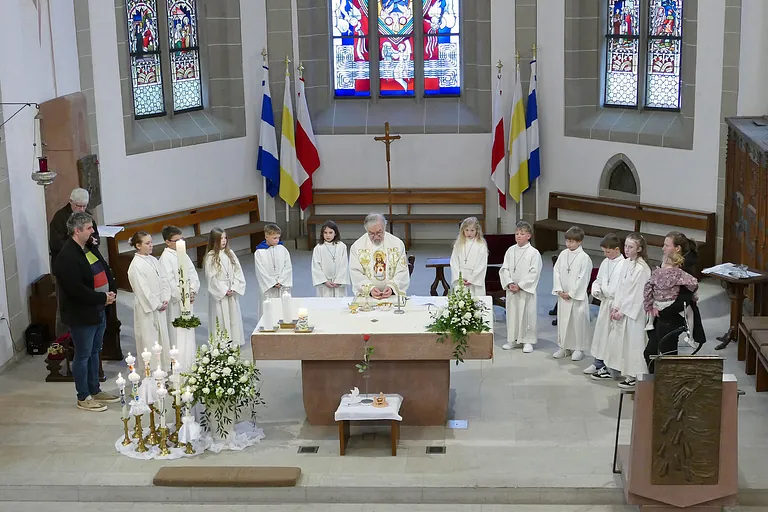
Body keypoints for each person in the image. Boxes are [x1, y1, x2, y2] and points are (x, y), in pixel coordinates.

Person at [52, 212, 119, 412]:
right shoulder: (66, 257)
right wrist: (101, 297)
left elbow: (104, 270)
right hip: (81, 313)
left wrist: (110, 291)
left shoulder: (88, 247)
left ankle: (95, 390)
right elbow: (76, 290)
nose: (93, 231)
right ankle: (83, 396)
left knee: (95, 352)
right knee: (82, 356)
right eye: (89, 228)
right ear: (77, 230)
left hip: (98, 309)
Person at [644, 231, 706, 372]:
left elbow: (685, 298)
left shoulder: (685, 268)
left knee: (667, 355)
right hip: (660, 314)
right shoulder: (667, 261)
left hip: (672, 316)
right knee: (652, 353)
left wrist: (663, 312)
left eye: (666, 245)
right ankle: (659, 383)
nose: (663, 248)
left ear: (677, 248)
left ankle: (666, 385)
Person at [603, 233, 652, 389]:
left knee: (634, 344)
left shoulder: (642, 268)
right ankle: (623, 371)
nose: (627, 250)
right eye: (626, 246)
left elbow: (638, 295)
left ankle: (636, 375)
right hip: (623, 309)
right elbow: (621, 287)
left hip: (634, 313)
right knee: (621, 343)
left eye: (631, 247)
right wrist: (616, 306)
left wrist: (622, 311)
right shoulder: (626, 263)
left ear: (639, 249)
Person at [127, 231, 172, 368]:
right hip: (147, 308)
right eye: (147, 243)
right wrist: (157, 304)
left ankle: (163, 370)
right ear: (138, 245)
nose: (151, 245)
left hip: (160, 305)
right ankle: (151, 374)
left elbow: (164, 279)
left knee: (162, 339)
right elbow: (143, 290)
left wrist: (165, 298)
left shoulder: (153, 260)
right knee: (150, 340)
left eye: (151, 242)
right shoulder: (135, 266)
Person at [158, 225, 200, 363]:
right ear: (167, 242)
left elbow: (192, 273)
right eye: (177, 240)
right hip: (177, 302)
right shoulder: (165, 258)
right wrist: (183, 296)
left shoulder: (183, 254)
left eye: (182, 239)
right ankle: (178, 360)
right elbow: (168, 281)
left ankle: (190, 356)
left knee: (189, 329)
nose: (180, 243)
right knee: (177, 330)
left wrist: (192, 291)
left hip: (188, 298)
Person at [585, 234, 624, 379]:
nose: (605, 254)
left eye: (608, 251)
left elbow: (621, 287)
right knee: (601, 335)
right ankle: (598, 362)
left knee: (611, 337)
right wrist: (596, 288)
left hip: (615, 304)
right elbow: (599, 279)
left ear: (617, 249)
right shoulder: (605, 262)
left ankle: (610, 367)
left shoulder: (623, 265)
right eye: (604, 251)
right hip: (605, 303)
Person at [499, 220, 542, 353]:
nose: (518, 236)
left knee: (527, 315)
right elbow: (504, 268)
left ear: (528, 236)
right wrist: (509, 283)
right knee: (512, 314)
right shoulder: (510, 250)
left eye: (522, 233)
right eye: (517, 233)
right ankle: (512, 339)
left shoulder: (533, 253)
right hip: (512, 290)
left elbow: (534, 272)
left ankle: (528, 341)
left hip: (525, 291)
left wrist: (521, 285)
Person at [551, 226, 592, 361]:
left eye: (572, 241)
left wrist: (572, 293)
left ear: (579, 241)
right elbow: (556, 271)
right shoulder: (563, 254)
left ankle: (578, 348)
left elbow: (583, 277)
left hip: (576, 298)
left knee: (577, 323)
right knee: (563, 322)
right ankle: (564, 347)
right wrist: (559, 289)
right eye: (567, 241)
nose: (568, 244)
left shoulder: (584, 258)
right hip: (563, 296)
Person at [349, 213, 410, 298]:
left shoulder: (397, 244)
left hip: (392, 295)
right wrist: (370, 288)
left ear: (385, 227)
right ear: (366, 230)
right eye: (371, 233)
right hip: (368, 297)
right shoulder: (357, 247)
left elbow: (402, 271)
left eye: (379, 232)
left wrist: (392, 287)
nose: (376, 237)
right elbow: (356, 272)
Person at [204, 228, 246, 346]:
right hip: (221, 293)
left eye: (225, 238)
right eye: (220, 238)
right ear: (214, 240)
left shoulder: (230, 253)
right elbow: (211, 278)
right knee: (221, 318)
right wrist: (224, 290)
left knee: (233, 316)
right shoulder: (211, 257)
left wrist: (234, 287)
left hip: (231, 289)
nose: (223, 241)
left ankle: (235, 341)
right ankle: (221, 343)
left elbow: (238, 272)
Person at [49, 188, 100, 267]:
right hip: (66, 263)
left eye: (84, 206)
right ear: (70, 202)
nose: (82, 210)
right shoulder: (60, 217)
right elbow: (56, 243)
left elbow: (95, 235)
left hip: (87, 260)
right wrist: (79, 244)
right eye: (79, 206)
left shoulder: (87, 215)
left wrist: (92, 241)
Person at [254, 223, 294, 318]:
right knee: (268, 309)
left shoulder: (283, 249)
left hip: (282, 284)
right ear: (266, 237)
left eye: (278, 238)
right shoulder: (259, 252)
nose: (277, 240)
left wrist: (281, 281)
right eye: (274, 238)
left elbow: (287, 266)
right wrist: (272, 283)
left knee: (282, 307)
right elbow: (260, 271)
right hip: (268, 286)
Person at [449, 217, 489, 297]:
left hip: (475, 280)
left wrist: (472, 279)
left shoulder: (481, 245)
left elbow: (481, 264)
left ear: (477, 231)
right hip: (461, 278)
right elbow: (454, 262)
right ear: (462, 230)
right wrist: (459, 277)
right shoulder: (458, 244)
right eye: (466, 230)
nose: (469, 233)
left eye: (472, 230)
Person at [311, 220, 349, 297]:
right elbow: (316, 266)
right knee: (325, 304)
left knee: (339, 303)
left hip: (338, 283)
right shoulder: (318, 248)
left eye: (330, 232)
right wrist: (324, 281)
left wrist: (339, 280)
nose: (328, 235)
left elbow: (344, 265)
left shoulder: (342, 246)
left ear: (335, 233)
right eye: (325, 233)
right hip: (325, 283)